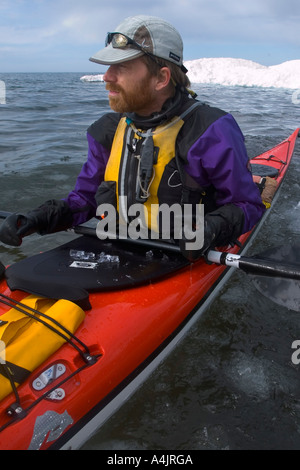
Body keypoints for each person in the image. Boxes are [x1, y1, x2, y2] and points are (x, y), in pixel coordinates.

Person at [0, 15, 265, 260]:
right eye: (109, 67)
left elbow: (247, 205)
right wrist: (38, 218)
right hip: (118, 247)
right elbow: (85, 200)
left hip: (181, 256)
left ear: (161, 78)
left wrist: (211, 228)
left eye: (122, 67)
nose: (107, 77)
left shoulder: (211, 130)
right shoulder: (106, 131)